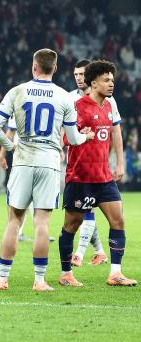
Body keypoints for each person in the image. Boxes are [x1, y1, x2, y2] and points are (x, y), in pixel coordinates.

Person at [0, 48, 93, 291]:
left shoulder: (17, 91)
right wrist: (86, 137)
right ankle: (40, 280)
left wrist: (11, 145)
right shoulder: (65, 97)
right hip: (49, 163)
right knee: (42, 223)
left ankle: (2, 279)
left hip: (23, 160)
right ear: (55, 68)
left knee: (14, 220)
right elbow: (74, 139)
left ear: (34, 67)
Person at [58, 60, 136, 287]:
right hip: (81, 177)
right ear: (93, 83)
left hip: (104, 177)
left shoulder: (109, 106)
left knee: (118, 220)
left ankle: (115, 273)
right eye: (106, 80)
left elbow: (113, 135)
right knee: (71, 226)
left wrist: (118, 163)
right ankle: (66, 274)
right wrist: (82, 133)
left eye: (112, 79)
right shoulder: (78, 106)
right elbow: (65, 138)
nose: (111, 83)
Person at [65, 59, 109, 267]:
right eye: (76, 75)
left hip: (96, 170)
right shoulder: (70, 99)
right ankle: (99, 251)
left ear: (91, 78)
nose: (79, 78)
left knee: (87, 212)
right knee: (82, 214)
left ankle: (80, 254)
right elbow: (64, 135)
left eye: (82, 74)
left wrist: (118, 163)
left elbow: (115, 130)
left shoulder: (107, 101)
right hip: (75, 165)